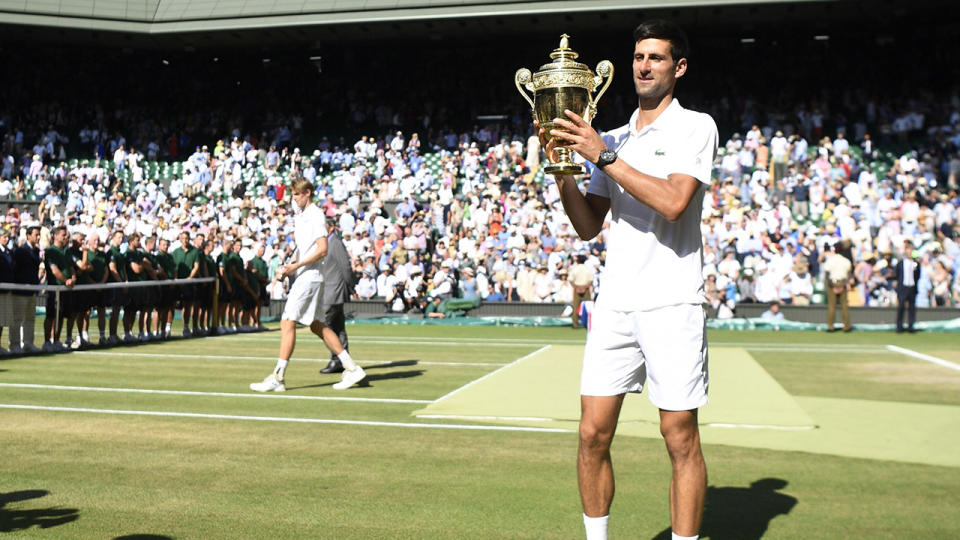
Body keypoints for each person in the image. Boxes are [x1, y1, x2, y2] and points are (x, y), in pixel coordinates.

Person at [542, 20, 717, 540]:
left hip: (671, 302)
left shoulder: (695, 126)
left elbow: (673, 201)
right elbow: (587, 225)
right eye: (639, 56)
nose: (644, 66)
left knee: (678, 435)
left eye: (656, 58)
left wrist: (603, 155)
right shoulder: (612, 135)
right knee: (592, 433)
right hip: (615, 302)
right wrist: (561, 167)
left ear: (678, 67)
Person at [250, 178, 366, 392]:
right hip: (306, 275)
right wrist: (289, 266)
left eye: (297, 194)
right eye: (292, 194)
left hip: (310, 277)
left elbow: (323, 249)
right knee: (317, 325)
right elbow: (305, 249)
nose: (293, 199)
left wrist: (296, 266)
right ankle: (351, 368)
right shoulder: (301, 216)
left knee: (287, 323)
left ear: (308, 193)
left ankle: (278, 376)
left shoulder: (315, 215)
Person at [319, 222, 356, 374]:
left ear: (331, 227)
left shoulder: (335, 243)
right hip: (330, 291)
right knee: (338, 326)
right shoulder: (327, 242)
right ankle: (342, 359)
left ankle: (337, 358)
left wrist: (351, 286)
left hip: (333, 292)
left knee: (324, 325)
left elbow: (345, 267)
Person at [10, 226, 42, 354]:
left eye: (39, 235)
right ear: (28, 236)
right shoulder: (20, 251)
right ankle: (15, 345)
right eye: (36, 235)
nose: (38, 237)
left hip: (32, 291)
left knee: (30, 318)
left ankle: (28, 343)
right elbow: (15, 269)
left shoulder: (36, 251)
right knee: (17, 319)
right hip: (20, 291)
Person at [822, 242, 853, 332]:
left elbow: (827, 274)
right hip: (842, 283)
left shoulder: (830, 260)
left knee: (832, 306)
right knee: (844, 306)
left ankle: (830, 326)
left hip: (832, 284)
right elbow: (849, 275)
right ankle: (846, 327)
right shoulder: (846, 261)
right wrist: (842, 286)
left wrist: (833, 286)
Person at [894, 240, 920, 333]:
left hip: (912, 287)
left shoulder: (916, 263)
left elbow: (917, 276)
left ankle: (911, 326)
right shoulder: (901, 263)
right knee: (901, 307)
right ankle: (899, 326)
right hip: (903, 288)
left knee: (912, 308)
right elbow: (897, 274)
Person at [568, 253, 594, 329]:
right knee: (587, 307)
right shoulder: (587, 269)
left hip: (577, 289)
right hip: (586, 288)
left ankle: (575, 325)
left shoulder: (575, 269)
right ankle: (588, 324)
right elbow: (591, 280)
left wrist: (577, 287)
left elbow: (570, 280)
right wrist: (584, 287)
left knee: (576, 307)